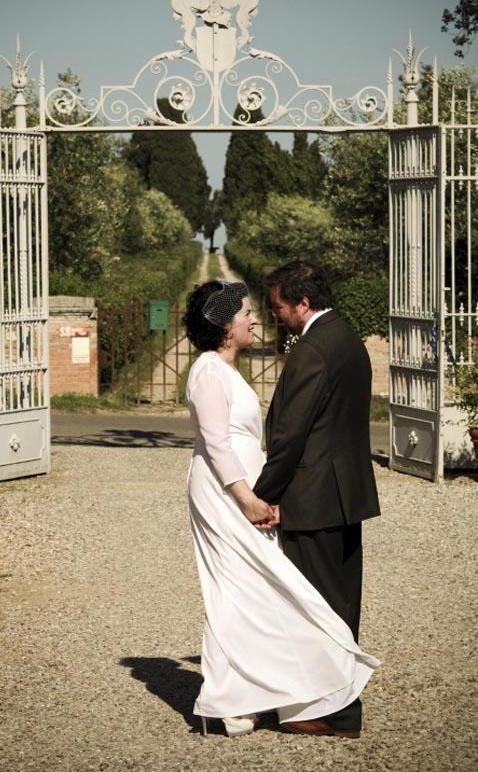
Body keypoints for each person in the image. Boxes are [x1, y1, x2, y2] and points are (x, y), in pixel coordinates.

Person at [183, 278, 379, 739]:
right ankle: (228, 704)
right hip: (225, 495)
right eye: (246, 313)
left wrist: (264, 495)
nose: (255, 319)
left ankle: (254, 695)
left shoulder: (228, 370)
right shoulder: (208, 372)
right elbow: (216, 446)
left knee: (255, 590)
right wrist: (249, 498)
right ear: (224, 326)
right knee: (234, 590)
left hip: (249, 494)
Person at [252, 261, 381, 738]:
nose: (276, 314)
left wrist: (262, 496)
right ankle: (330, 703)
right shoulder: (347, 338)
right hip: (346, 492)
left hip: (314, 497)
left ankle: (334, 712)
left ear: (302, 303)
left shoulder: (311, 351)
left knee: (315, 607)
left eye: (279, 306)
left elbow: (291, 436)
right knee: (341, 602)